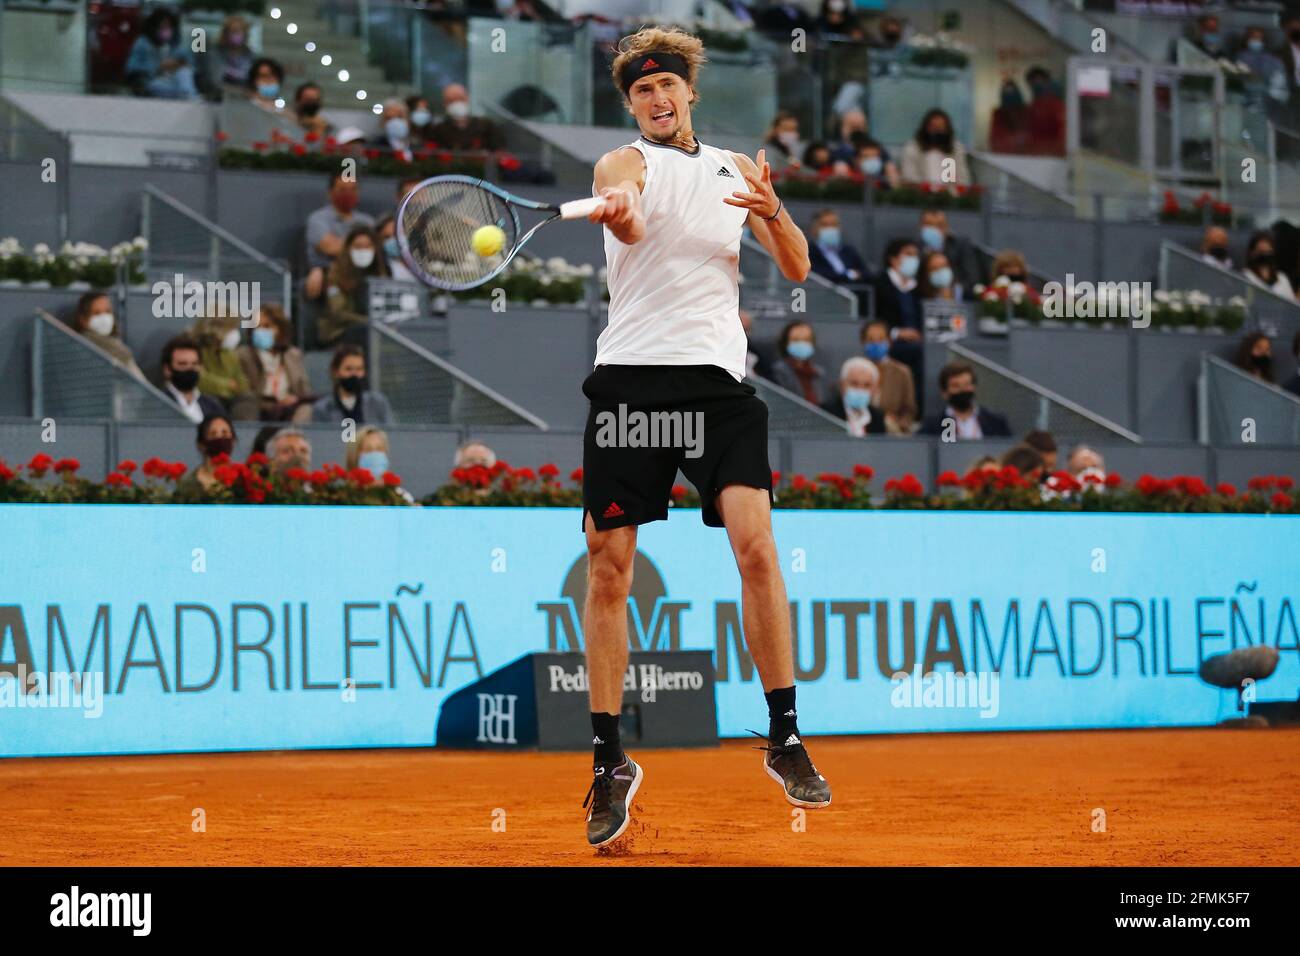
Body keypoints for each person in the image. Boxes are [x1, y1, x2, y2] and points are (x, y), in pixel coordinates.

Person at [577, 25, 831, 848]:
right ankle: (609, 759)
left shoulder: (734, 169)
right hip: (632, 384)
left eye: (667, 89)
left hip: (718, 388)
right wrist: (621, 214)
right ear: (631, 106)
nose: (655, 101)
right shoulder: (623, 165)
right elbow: (631, 221)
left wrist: (775, 207)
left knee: (757, 546)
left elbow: (795, 267)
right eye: (640, 93)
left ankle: (784, 734)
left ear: (689, 94)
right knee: (609, 563)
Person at [304, 171, 375, 301]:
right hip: (329, 275)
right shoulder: (318, 218)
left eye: (353, 189)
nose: (348, 194)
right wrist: (361, 244)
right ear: (330, 192)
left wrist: (345, 244)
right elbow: (330, 248)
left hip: (363, 275)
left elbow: (376, 251)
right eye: (342, 189)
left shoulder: (368, 221)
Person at [237, 304, 314, 421]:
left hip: (288, 410)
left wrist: (293, 399)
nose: (260, 331)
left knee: (307, 409)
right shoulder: (243, 355)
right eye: (256, 327)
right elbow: (243, 393)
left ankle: (294, 437)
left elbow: (304, 390)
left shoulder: (293, 355)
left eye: (267, 326)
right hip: (259, 408)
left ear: (280, 330)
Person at [872, 238, 924, 409]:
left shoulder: (919, 287)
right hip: (891, 341)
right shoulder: (879, 283)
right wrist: (895, 332)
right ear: (893, 259)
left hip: (918, 342)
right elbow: (874, 317)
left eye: (916, 255)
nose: (913, 259)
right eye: (908, 254)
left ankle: (915, 408)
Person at [318, 224, 389, 347]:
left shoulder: (381, 275)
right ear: (348, 249)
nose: (363, 251)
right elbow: (338, 314)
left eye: (368, 246)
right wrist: (370, 322)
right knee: (368, 333)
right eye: (358, 246)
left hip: (374, 329)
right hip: (340, 331)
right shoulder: (335, 275)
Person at [919, 361, 1012, 438]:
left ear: (974, 387)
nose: (963, 390)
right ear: (944, 393)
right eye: (956, 386)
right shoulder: (932, 426)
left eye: (967, 385)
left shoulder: (996, 422)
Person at [191, 315, 259, 420]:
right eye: (231, 329)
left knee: (248, 399)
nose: (235, 333)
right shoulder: (196, 350)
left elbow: (242, 384)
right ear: (216, 329)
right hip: (206, 397)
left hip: (230, 399)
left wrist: (228, 386)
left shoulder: (228, 353)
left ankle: (244, 433)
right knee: (211, 402)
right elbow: (201, 381)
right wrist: (228, 384)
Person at [125, 8, 198, 100]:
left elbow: (192, 68)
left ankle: (190, 96)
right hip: (152, 82)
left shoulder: (177, 47)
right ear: (154, 27)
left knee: (184, 73)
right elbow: (131, 68)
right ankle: (191, 97)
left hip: (174, 81)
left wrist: (179, 65)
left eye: (169, 27)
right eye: (163, 27)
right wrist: (159, 66)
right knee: (181, 91)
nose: (166, 30)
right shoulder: (142, 44)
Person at [311, 343, 393, 425]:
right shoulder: (322, 408)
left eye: (359, 369)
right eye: (348, 369)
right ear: (336, 371)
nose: (354, 374)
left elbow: (392, 433)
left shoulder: (378, 402)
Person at [860, 319, 916, 434]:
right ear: (863, 342)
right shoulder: (855, 369)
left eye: (881, 339)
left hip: (891, 432)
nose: (876, 343)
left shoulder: (902, 372)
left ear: (889, 342)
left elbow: (909, 410)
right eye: (870, 339)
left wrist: (900, 423)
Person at [71, 291, 142, 377]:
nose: (104, 318)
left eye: (108, 311)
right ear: (83, 319)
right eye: (97, 313)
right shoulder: (82, 348)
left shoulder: (117, 345)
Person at [160, 335, 227, 423]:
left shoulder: (213, 406)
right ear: (167, 369)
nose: (190, 369)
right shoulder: (158, 404)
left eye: (195, 364)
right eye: (183, 364)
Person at [919, 208, 981, 296]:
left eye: (939, 225)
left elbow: (972, 280)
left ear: (946, 227)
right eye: (929, 225)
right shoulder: (915, 248)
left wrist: (954, 292)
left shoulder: (961, 245)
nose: (934, 229)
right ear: (921, 227)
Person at [899, 109, 970, 186]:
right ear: (925, 128)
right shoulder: (912, 148)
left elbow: (962, 179)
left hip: (949, 194)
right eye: (933, 127)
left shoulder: (956, 149)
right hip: (921, 193)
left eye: (940, 127)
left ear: (947, 129)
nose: (937, 130)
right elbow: (909, 177)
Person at [428, 84, 505, 154]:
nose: (457, 103)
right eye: (451, 101)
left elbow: (499, 152)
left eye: (460, 99)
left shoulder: (486, 125)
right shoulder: (438, 130)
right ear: (444, 104)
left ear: (467, 99)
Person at [346, 426, 415, 503]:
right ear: (354, 456)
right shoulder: (343, 497)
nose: (375, 454)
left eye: (379, 449)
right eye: (368, 449)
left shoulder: (402, 497)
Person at [770, 320, 832, 405]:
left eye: (806, 340)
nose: (801, 344)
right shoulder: (779, 371)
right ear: (785, 343)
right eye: (796, 340)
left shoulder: (819, 372)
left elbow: (823, 402)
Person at [175, 415, 236, 498]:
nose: (219, 438)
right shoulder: (189, 485)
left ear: (233, 441)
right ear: (201, 444)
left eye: (224, 433)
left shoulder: (243, 481)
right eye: (213, 434)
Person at [823, 357, 885, 436]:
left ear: (874, 389)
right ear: (842, 385)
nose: (860, 390)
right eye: (854, 384)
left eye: (867, 385)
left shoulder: (877, 417)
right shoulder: (826, 413)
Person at [807, 208, 868, 287]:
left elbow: (867, 274)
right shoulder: (808, 252)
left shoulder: (848, 251)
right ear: (814, 229)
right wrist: (850, 275)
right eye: (825, 225)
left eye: (834, 224)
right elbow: (818, 276)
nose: (830, 229)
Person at [1242, 231, 1296, 299]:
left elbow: (1292, 305)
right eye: (1261, 251)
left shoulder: (1282, 279)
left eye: (1268, 252)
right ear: (1252, 253)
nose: (1265, 255)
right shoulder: (1245, 277)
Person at [214, 15, 255, 91]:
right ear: (226, 33)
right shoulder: (216, 52)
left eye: (240, 31)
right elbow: (216, 81)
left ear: (245, 33)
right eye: (234, 31)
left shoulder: (250, 54)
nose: (237, 34)